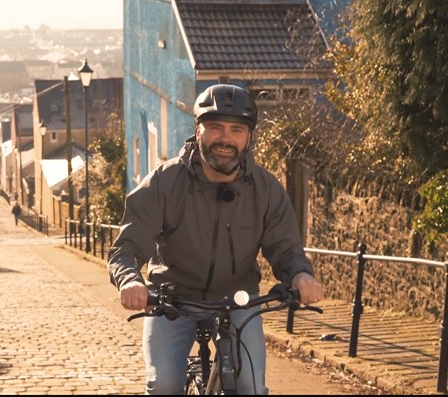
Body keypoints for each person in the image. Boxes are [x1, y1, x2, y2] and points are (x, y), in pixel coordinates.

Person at [107, 84, 323, 395]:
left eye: (237, 129)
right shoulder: (164, 183)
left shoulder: (266, 190)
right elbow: (126, 246)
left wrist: (301, 275)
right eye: (215, 127)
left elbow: (286, 248)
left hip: (238, 301)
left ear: (249, 137)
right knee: (165, 386)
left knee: (251, 388)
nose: (225, 138)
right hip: (171, 300)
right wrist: (130, 280)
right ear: (198, 130)